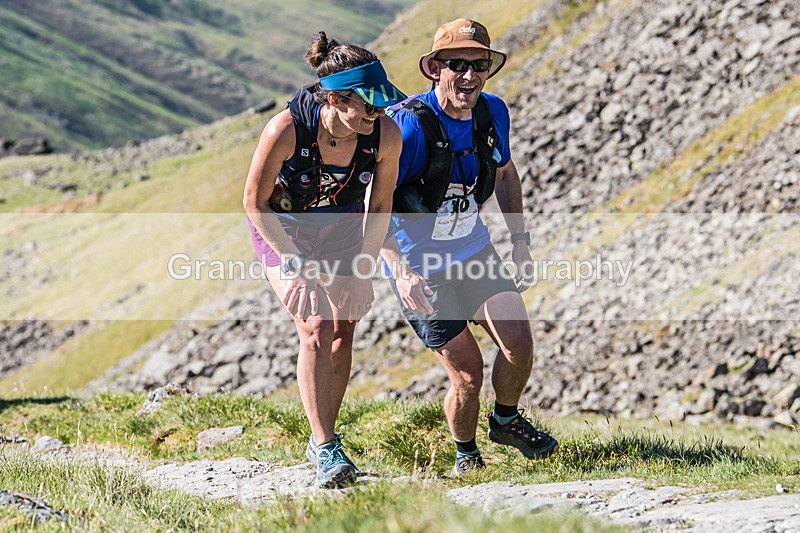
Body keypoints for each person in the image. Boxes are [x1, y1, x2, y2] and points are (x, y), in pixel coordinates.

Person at [381, 19, 557, 476]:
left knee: (518, 342)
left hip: (474, 254)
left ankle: (505, 421)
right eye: (456, 64)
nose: (469, 75)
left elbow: (503, 173)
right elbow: (374, 204)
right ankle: (466, 454)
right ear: (434, 69)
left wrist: (520, 243)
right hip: (422, 267)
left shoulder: (492, 112)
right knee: (467, 373)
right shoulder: (408, 126)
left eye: (479, 65)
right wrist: (400, 270)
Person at [243, 32, 404, 488]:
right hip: (284, 229)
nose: (377, 112)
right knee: (315, 324)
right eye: (367, 103)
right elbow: (253, 202)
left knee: (344, 327)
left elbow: (381, 206)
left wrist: (363, 269)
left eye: (380, 101)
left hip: (343, 229)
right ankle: (328, 448)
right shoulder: (285, 130)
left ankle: (322, 440)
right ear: (334, 98)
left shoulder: (385, 133)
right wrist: (293, 264)